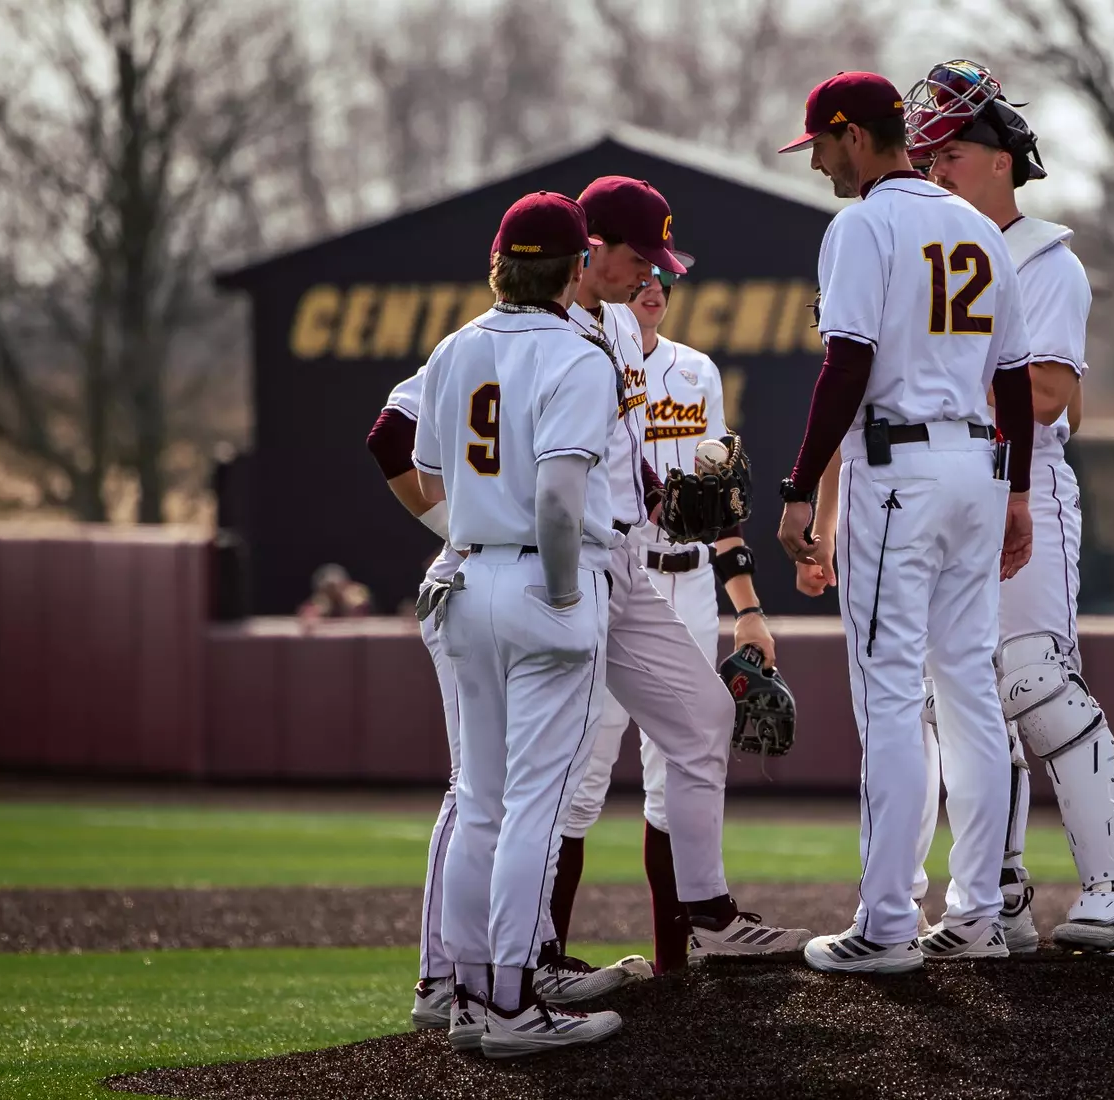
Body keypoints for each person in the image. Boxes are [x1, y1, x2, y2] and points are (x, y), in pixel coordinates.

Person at [775, 71, 1038, 973]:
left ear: (852, 134)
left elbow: (847, 363)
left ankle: (887, 924)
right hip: (975, 463)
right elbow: (1012, 380)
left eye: (818, 143)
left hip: (899, 472)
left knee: (890, 696)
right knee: (966, 691)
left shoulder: (861, 224)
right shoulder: (976, 224)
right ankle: (978, 913)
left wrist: (800, 486)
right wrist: (1016, 491)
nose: (816, 164)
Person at [537, 176, 809, 999]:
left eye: (666, 275)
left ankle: (682, 961)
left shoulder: (693, 371)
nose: (654, 285)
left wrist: (747, 606)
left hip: (680, 586)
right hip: (601, 578)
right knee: (576, 777)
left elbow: (714, 499)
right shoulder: (572, 340)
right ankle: (536, 956)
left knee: (686, 755)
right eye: (643, 270)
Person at [905, 59, 1114, 952]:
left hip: (1024, 485)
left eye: (953, 152)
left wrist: (926, 380)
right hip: (946, 491)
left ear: (1002, 160)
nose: (937, 170)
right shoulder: (930, 254)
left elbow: (1045, 396)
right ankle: (995, 894)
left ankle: (1111, 894)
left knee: (1036, 683)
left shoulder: (1045, 257)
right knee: (957, 700)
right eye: (927, 157)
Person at [412, 190, 623, 1057]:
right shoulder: (578, 354)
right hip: (542, 582)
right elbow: (559, 497)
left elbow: (427, 472)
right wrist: (569, 594)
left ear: (499, 263)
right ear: (577, 269)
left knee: (480, 801)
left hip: (465, 575)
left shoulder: (455, 347)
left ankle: (462, 995)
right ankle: (508, 1002)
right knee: (533, 801)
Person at [364, 364, 474, 1030]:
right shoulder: (478, 345)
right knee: (477, 787)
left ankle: (524, 960)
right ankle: (439, 978)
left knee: (525, 789)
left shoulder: (577, 344)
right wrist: (452, 525)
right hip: (476, 575)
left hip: (525, 578)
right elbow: (386, 435)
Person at [296, 563, 370, 621]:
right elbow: (307, 613)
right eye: (329, 588)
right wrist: (312, 616)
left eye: (336, 587)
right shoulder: (321, 600)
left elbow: (364, 611)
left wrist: (353, 608)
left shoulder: (354, 594)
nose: (333, 591)